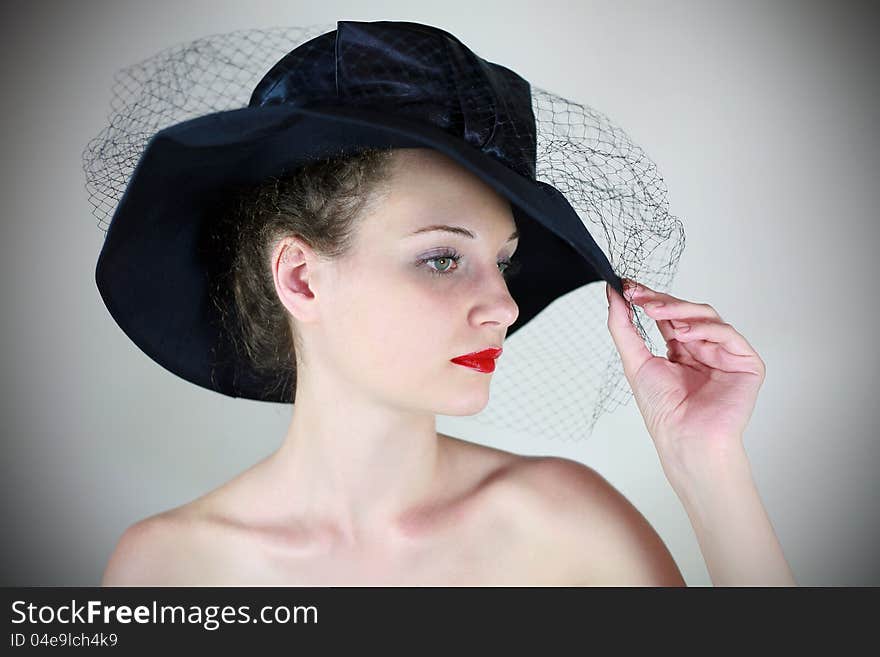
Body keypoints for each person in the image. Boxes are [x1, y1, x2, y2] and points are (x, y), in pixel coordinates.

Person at [93, 20, 797, 586]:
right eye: (441, 258)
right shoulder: (167, 570)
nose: (504, 306)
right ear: (302, 278)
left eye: (503, 262)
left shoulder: (566, 529)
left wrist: (707, 467)